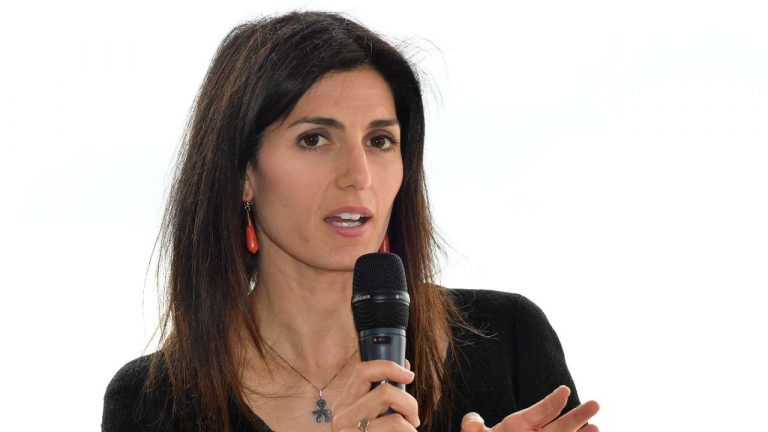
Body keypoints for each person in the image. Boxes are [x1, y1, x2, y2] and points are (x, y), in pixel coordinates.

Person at [102, 10, 600, 432]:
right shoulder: (150, 404)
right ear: (242, 173)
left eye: (380, 141)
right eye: (315, 139)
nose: (358, 176)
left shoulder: (508, 340)